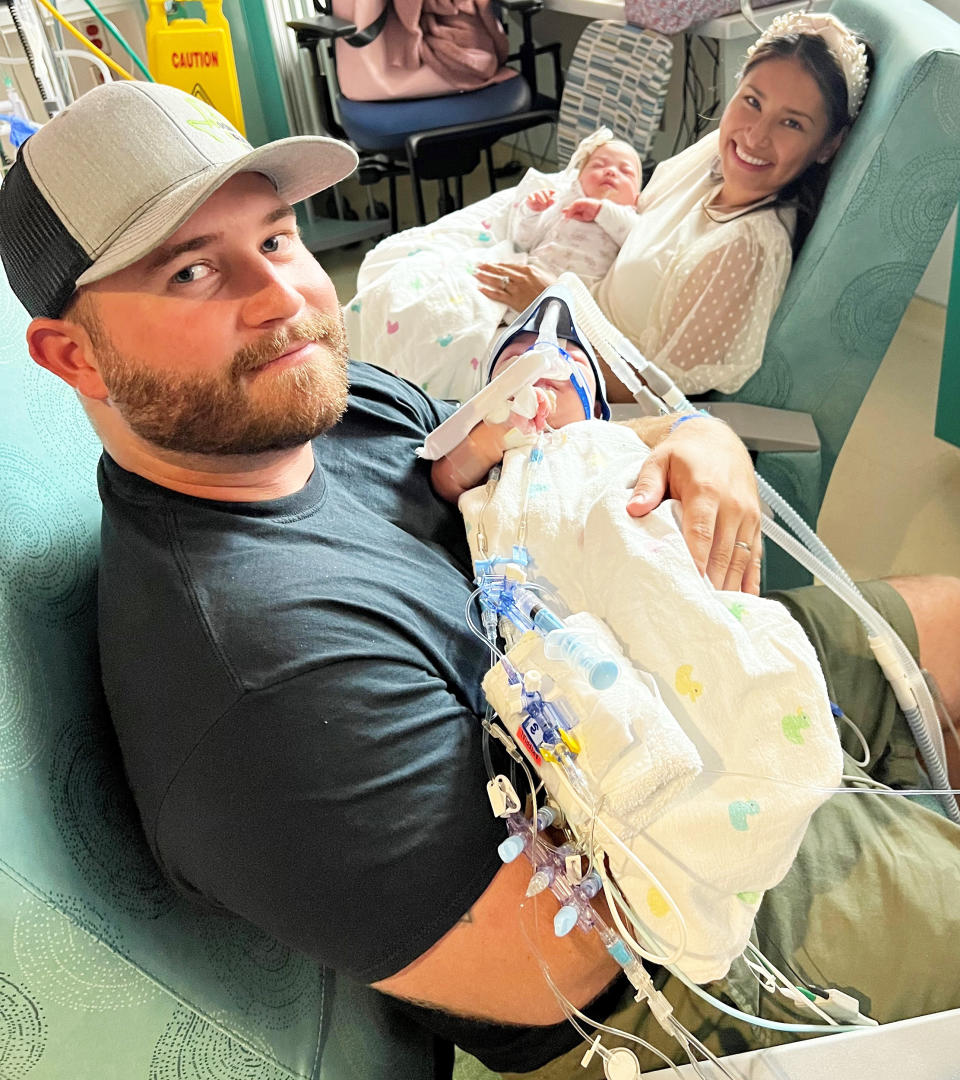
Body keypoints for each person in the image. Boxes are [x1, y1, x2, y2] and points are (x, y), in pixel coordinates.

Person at [3, 78, 960, 1080]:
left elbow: (514, 462)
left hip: (644, 690)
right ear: (73, 354)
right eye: (194, 271)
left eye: (278, 239)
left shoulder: (335, 409)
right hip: (681, 953)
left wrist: (692, 434)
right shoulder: (262, 686)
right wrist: (771, 763)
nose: (283, 299)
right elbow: (568, 967)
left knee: (943, 616)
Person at [355, 11, 871, 402]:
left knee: (398, 326)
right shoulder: (712, 162)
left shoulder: (744, 248)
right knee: (394, 283)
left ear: (828, 144)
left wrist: (552, 303)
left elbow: (658, 396)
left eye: (793, 122)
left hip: (566, 360)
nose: (755, 136)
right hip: (558, 307)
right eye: (752, 101)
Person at [341, 127, 641, 403]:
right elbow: (525, 238)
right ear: (578, 178)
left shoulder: (626, 216)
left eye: (624, 171)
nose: (611, 172)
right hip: (530, 267)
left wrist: (602, 210)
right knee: (484, 306)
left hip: (570, 289)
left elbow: (630, 230)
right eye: (599, 165)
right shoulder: (563, 205)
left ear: (636, 196)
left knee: (544, 334)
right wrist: (533, 211)